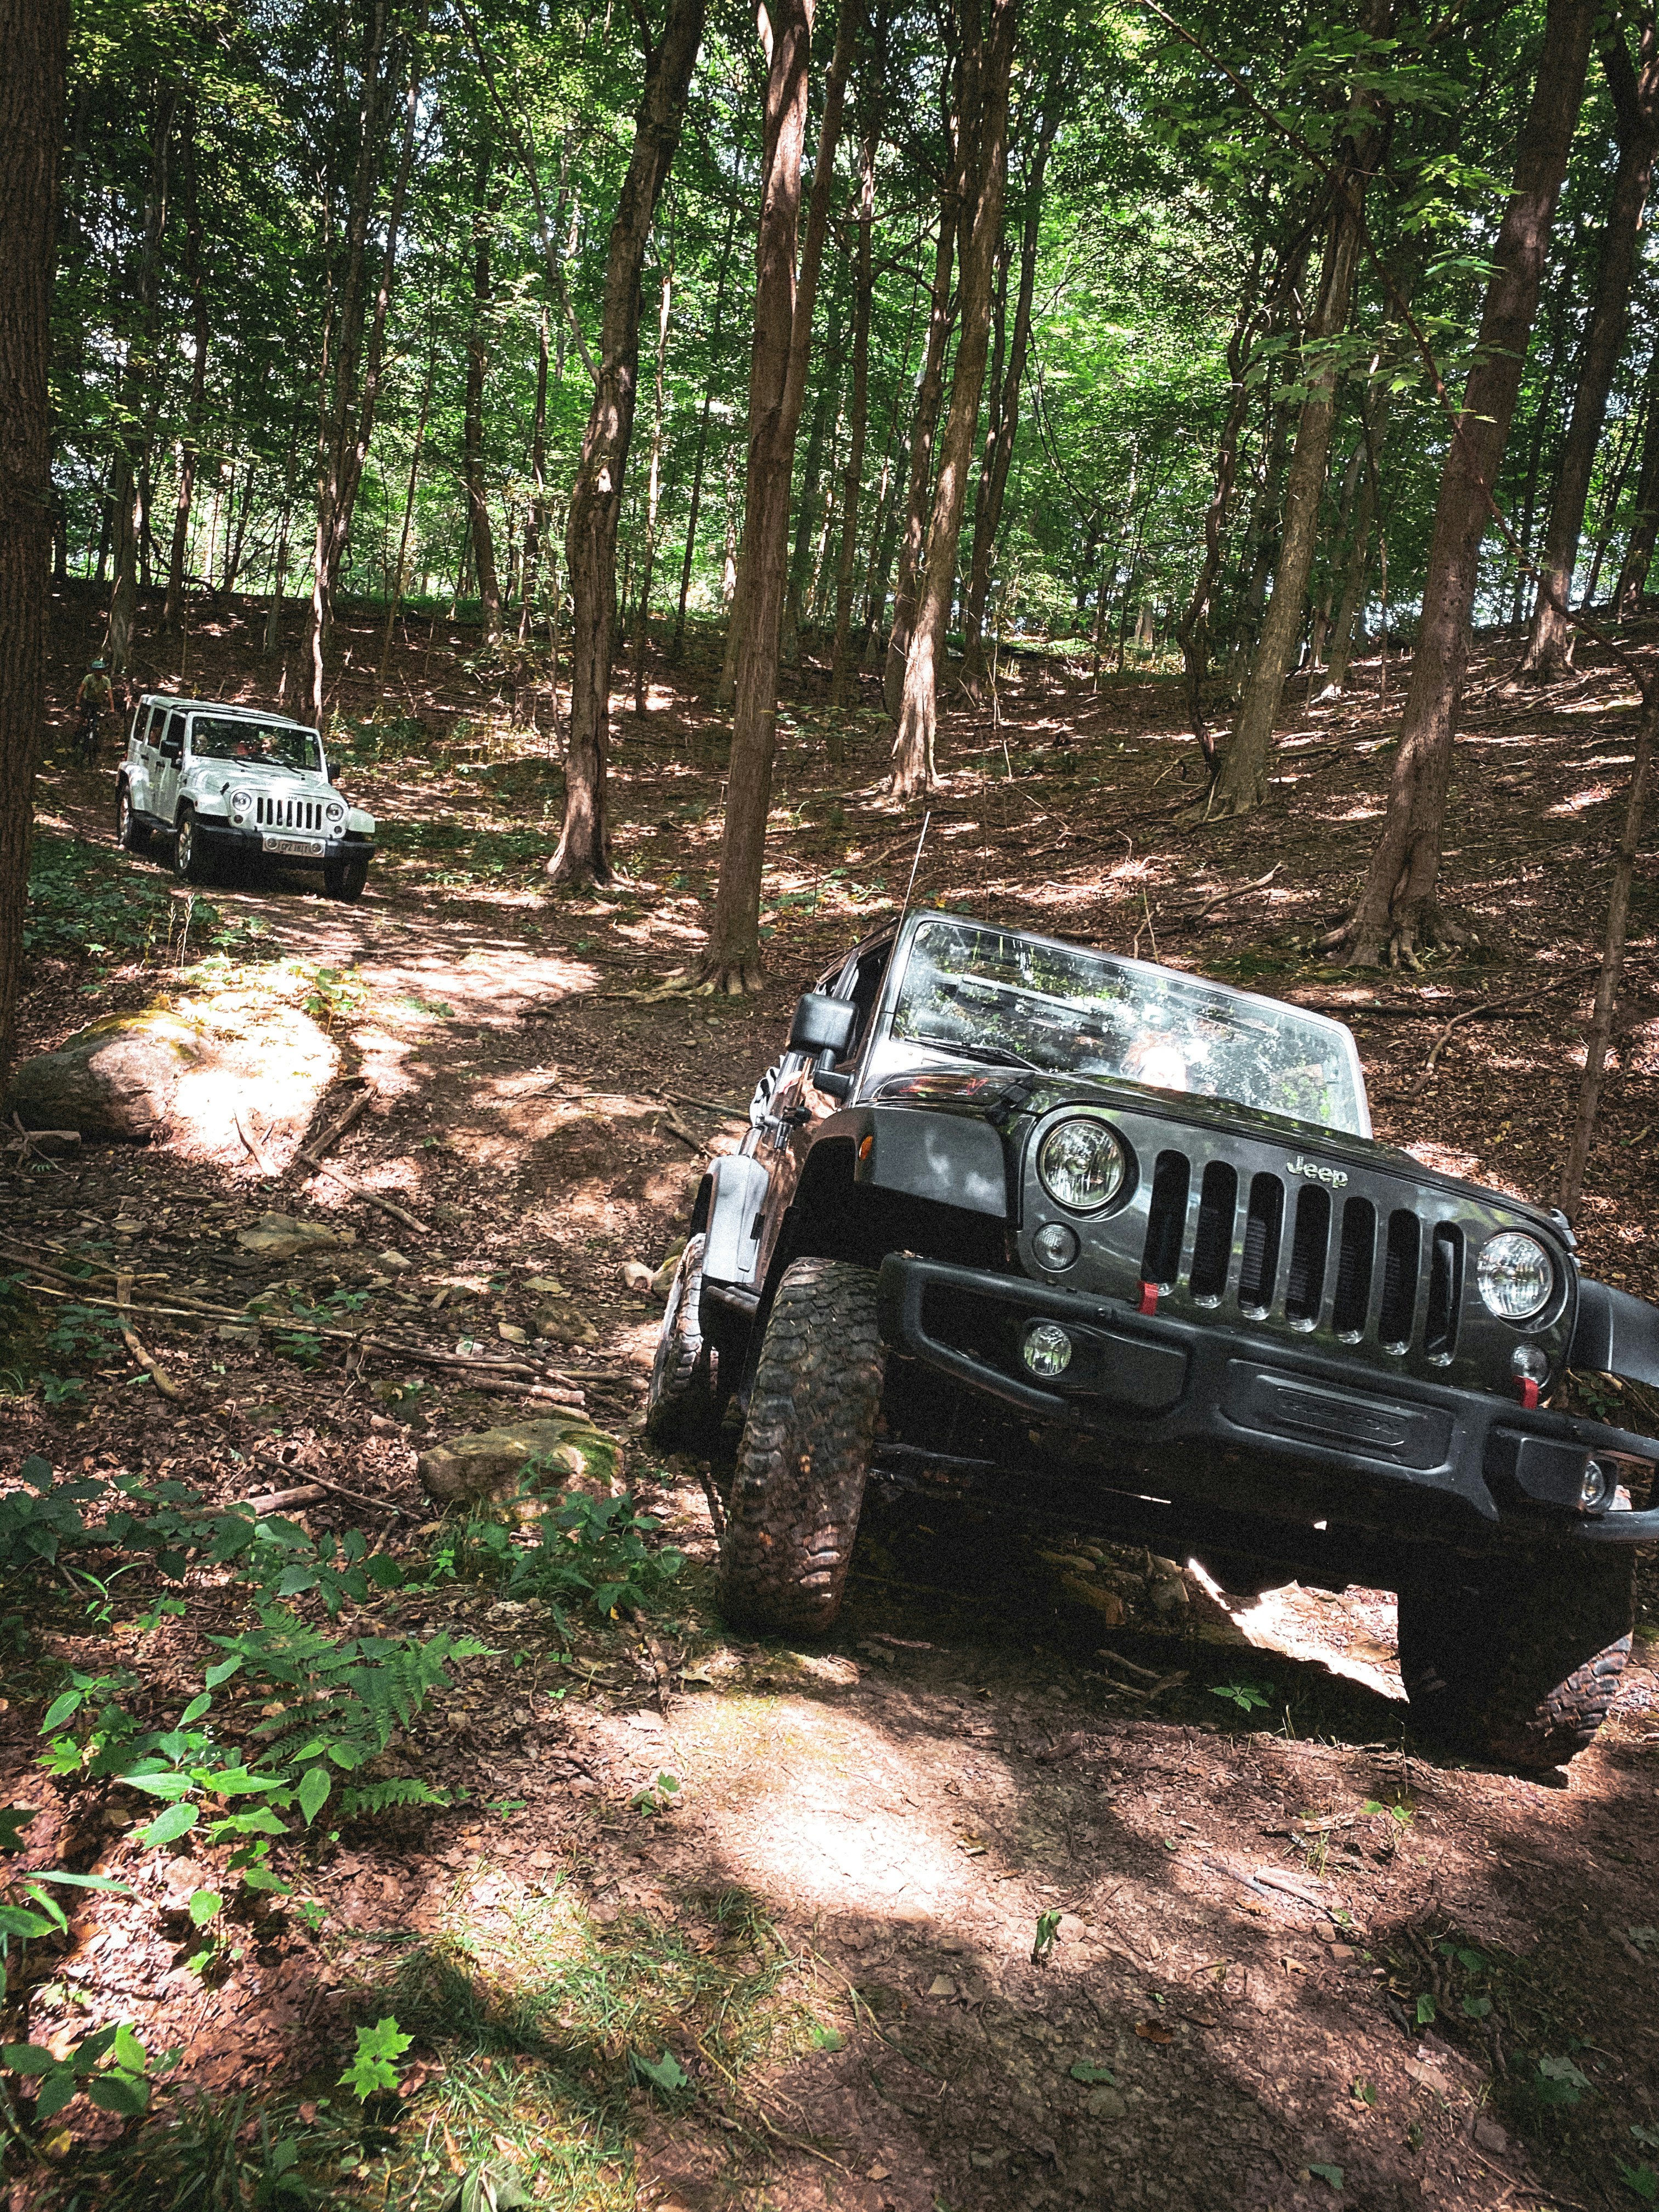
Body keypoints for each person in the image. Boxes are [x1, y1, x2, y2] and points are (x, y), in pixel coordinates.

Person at [74, 660, 113, 765]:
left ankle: (96, 744)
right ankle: (76, 736)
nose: (99, 673)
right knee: (82, 720)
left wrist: (112, 708)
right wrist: (78, 704)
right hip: (87, 702)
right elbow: (80, 692)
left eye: (101, 671)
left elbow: (110, 696)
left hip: (97, 703)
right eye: (97, 671)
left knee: (96, 724)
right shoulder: (88, 678)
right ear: (93, 671)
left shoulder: (106, 681)